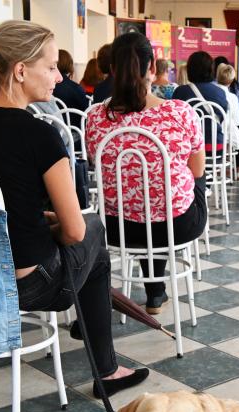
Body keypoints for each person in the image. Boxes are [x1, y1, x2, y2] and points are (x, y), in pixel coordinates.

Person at [0, 20, 146, 398]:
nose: (58, 77)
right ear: (21, 70)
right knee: (93, 231)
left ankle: (94, 332)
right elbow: (73, 232)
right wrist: (52, 227)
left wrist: (37, 222)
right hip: (28, 286)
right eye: (51, 66)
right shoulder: (39, 133)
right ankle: (106, 369)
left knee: (83, 233)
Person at [86, 32, 207, 315]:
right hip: (176, 224)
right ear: (152, 67)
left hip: (117, 226)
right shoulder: (180, 112)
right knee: (188, 182)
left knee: (138, 189)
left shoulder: (94, 116)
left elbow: (95, 163)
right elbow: (198, 169)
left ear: (112, 69)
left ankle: (156, 293)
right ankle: (156, 293)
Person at [172, 51, 228, 152]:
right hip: (215, 145)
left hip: (188, 146)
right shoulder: (220, 92)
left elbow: (175, 120)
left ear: (189, 69)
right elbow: (222, 117)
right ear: (211, 69)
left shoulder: (180, 91)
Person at [214, 56, 239, 178]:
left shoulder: (211, 91)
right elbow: (237, 120)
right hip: (227, 134)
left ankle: (216, 167)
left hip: (211, 132)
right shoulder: (234, 94)